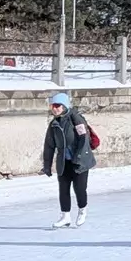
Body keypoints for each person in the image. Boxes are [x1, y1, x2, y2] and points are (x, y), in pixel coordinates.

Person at [41, 91, 96, 228]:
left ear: (64, 106)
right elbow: (49, 146)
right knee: (63, 189)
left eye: (57, 105)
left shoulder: (76, 119)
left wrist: (78, 157)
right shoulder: (54, 124)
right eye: (52, 106)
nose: (54, 108)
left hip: (80, 161)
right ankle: (65, 216)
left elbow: (84, 140)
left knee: (79, 189)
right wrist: (47, 165)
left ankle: (82, 210)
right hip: (64, 162)